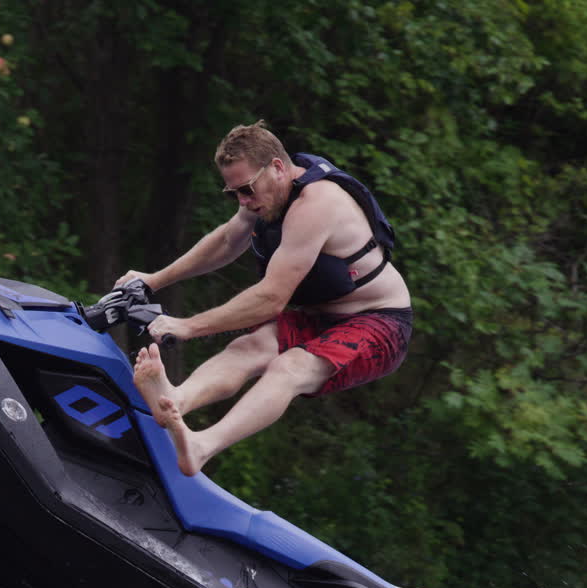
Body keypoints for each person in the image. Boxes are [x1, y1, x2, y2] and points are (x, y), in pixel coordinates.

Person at [115, 120, 412, 476]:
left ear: (277, 168)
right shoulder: (265, 195)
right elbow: (226, 242)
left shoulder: (316, 205)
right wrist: (153, 281)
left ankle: (201, 446)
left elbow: (271, 298)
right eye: (233, 194)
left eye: (247, 190)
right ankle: (177, 399)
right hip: (323, 318)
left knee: (289, 367)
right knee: (249, 348)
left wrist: (188, 326)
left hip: (381, 323)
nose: (243, 202)